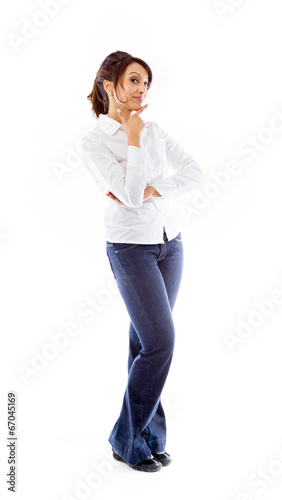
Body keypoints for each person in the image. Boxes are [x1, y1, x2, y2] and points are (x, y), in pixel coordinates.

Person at [82, 50, 204, 473]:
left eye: (145, 83)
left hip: (170, 243)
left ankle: (148, 436)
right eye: (134, 80)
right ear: (109, 84)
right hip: (130, 247)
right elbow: (128, 196)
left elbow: (194, 172)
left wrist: (154, 189)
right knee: (160, 343)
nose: (141, 89)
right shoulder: (95, 142)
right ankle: (126, 439)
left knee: (144, 343)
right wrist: (132, 138)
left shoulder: (155, 130)